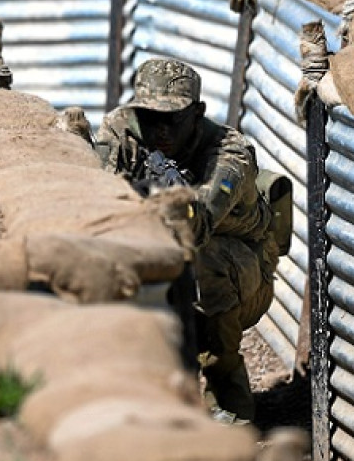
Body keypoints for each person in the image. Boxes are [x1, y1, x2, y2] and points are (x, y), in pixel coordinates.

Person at [94, 57, 279, 423]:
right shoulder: (123, 130)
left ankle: (228, 400)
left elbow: (199, 225)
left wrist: (163, 201)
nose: (160, 130)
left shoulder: (228, 153)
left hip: (242, 274)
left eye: (173, 119)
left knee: (203, 260)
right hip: (169, 251)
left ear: (197, 113)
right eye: (151, 118)